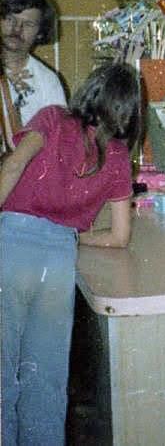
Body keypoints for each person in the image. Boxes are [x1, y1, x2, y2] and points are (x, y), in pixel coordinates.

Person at [0, 62, 141, 445]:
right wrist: (73, 238)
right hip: (57, 262)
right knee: (46, 376)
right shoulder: (117, 158)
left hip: (10, 247)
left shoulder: (51, 118)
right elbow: (119, 236)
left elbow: (13, 164)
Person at [0, 0, 67, 155]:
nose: (17, 29)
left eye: (28, 24)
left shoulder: (47, 81)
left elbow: (59, 140)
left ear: (39, 33)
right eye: (10, 19)